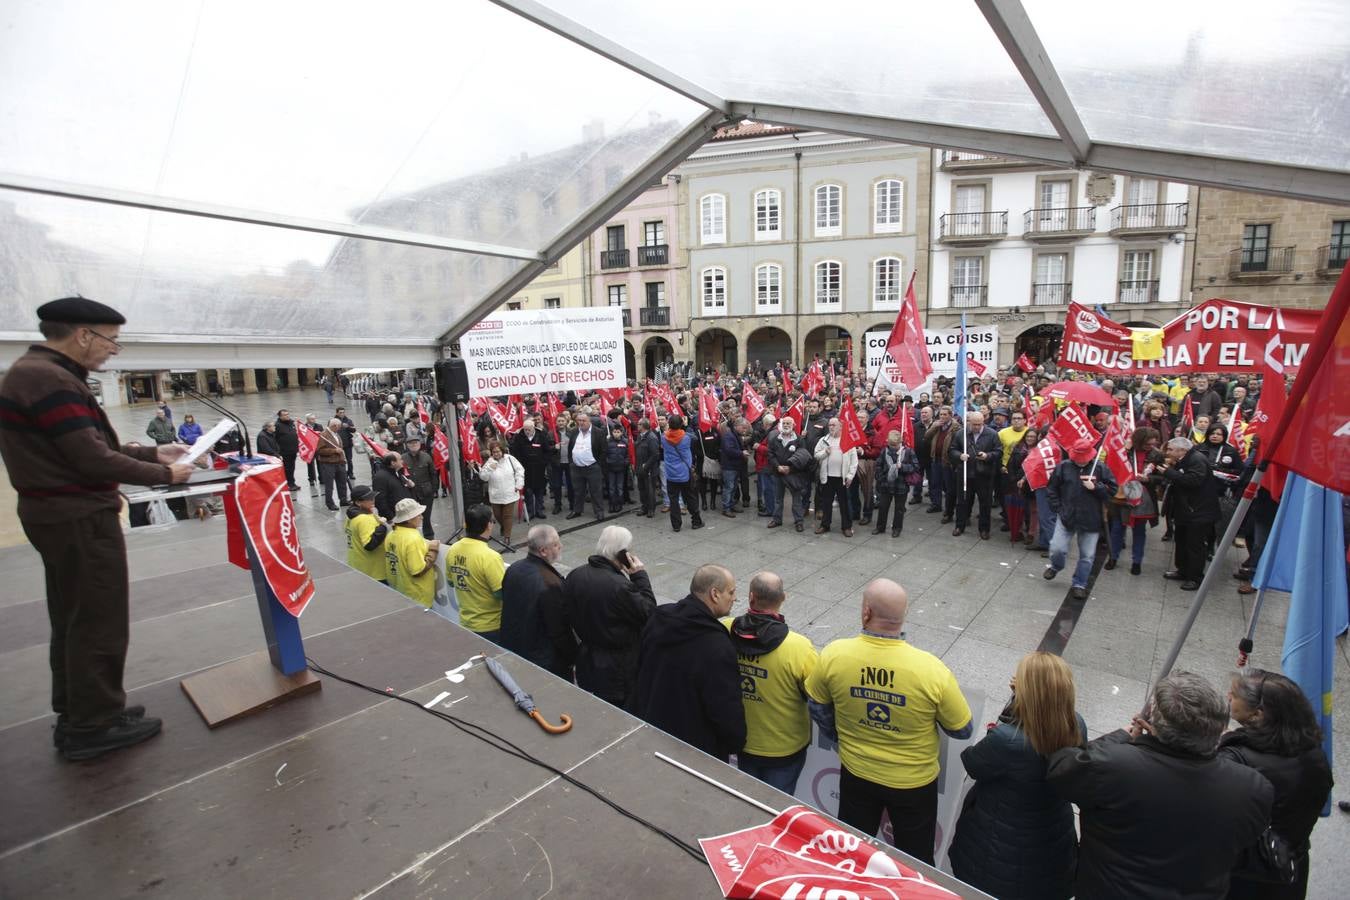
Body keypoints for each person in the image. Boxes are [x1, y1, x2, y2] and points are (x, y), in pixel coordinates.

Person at [0, 297, 197, 761]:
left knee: (74, 614)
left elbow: (82, 444)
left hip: (57, 513)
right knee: (97, 617)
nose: (114, 350)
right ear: (83, 334)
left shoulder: (35, 373)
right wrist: (166, 476)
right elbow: (88, 458)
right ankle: (92, 726)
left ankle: (85, 710)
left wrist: (151, 454)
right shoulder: (49, 380)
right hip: (76, 515)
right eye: (111, 340)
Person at [1047, 671, 1274, 900]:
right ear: (1219, 729)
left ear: (1156, 722)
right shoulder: (1253, 790)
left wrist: (1121, 738)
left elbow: (1061, 767)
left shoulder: (1111, 767)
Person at [805, 579, 973, 863]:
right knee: (915, 860)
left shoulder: (834, 655)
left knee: (853, 853)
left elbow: (817, 706)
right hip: (914, 784)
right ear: (902, 616)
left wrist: (840, 736)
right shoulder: (931, 669)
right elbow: (961, 729)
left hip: (856, 772)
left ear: (866, 612)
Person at [949, 652, 1084, 900]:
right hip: (1052, 841)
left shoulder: (1007, 741)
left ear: (1027, 693)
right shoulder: (1076, 724)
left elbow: (972, 762)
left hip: (999, 848)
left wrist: (1011, 709)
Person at [1220, 670, 1335, 900]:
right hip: (1289, 869)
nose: (1228, 696)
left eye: (1234, 695)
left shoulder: (1238, 762)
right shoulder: (1314, 755)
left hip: (1243, 875)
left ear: (1258, 714)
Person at [630, 565, 746, 762]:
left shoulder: (659, 616)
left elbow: (639, 667)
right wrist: (735, 743)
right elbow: (725, 707)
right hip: (694, 750)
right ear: (715, 594)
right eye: (731, 592)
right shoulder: (717, 646)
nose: (735, 598)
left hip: (649, 729)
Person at [726, 572, 819, 792]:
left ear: (750, 597)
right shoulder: (799, 647)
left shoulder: (726, 629)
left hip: (742, 740)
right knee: (776, 809)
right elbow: (818, 696)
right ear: (784, 598)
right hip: (785, 748)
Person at [562, 526, 656, 708]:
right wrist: (640, 576)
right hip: (618, 669)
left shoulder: (576, 575)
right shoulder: (620, 586)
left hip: (588, 659)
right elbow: (649, 613)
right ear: (623, 553)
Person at [1044, 437, 1117, 600]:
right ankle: (1056, 566)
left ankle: (1079, 583)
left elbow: (1112, 490)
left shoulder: (1100, 468)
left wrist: (1096, 488)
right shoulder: (1063, 467)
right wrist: (1057, 507)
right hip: (1067, 516)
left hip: (1091, 519)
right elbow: (1052, 488)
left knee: (1087, 555)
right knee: (1057, 548)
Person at [499, 524, 575, 680]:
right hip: (542, 661)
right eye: (555, 544)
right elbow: (559, 630)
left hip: (514, 650)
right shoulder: (550, 584)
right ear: (543, 551)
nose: (560, 546)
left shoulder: (514, 568)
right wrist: (573, 656)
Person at [1155, 436, 1220, 590]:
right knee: (1181, 540)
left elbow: (1193, 481)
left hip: (1198, 511)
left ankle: (1195, 578)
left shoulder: (1197, 460)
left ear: (1182, 450)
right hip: (1185, 510)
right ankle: (1182, 570)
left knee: (1195, 545)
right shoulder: (1184, 459)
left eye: (1171, 449)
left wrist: (1169, 472)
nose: (1168, 452)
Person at [445, 504, 507, 643]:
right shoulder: (490, 556)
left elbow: (450, 582)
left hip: (466, 621)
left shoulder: (453, 549)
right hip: (491, 626)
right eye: (493, 521)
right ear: (488, 525)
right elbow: (500, 593)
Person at [950, 411, 1002, 539]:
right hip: (965, 473)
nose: (976, 427)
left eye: (979, 424)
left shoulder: (992, 434)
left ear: (983, 422)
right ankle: (959, 525)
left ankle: (984, 529)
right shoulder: (961, 433)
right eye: (974, 424)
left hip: (984, 475)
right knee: (962, 501)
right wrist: (959, 456)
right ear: (969, 422)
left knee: (985, 503)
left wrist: (987, 456)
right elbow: (952, 449)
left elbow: (999, 451)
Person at [383, 498, 440, 608]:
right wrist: (433, 550)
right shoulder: (412, 539)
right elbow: (417, 570)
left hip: (400, 590)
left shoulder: (391, 535)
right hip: (417, 595)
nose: (422, 517)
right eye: (419, 515)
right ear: (409, 519)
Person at [812, 417, 858, 536]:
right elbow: (816, 455)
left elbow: (854, 461)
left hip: (842, 478)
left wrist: (850, 476)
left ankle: (846, 527)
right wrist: (825, 453)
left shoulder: (847, 440)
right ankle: (825, 525)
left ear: (840, 427)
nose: (830, 427)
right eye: (830, 425)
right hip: (827, 476)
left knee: (844, 503)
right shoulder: (824, 440)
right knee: (827, 502)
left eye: (833, 425)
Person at [767, 414, 811, 532]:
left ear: (794, 425)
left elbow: (803, 457)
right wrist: (778, 467)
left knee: (796, 500)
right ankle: (776, 519)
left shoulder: (800, 440)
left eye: (788, 423)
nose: (786, 425)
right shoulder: (775, 439)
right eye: (784, 423)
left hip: (793, 474)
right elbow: (770, 455)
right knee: (778, 498)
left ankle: (799, 521)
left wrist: (790, 469)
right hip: (778, 473)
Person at [478, 439, 525, 547]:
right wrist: (489, 468)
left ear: (502, 451)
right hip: (495, 494)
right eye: (494, 452)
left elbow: (520, 470)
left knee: (507, 516)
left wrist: (519, 484)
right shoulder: (489, 462)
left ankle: (507, 536)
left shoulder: (510, 459)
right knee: (498, 515)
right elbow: (483, 477)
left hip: (510, 492)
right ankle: (504, 526)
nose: (496, 454)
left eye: (498, 451)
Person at [661, 414, 704, 532]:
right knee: (690, 497)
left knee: (673, 500)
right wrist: (686, 426)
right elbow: (695, 436)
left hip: (670, 474)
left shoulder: (663, 437)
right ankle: (696, 521)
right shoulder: (686, 438)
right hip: (685, 472)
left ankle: (676, 525)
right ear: (681, 424)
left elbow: (666, 433)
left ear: (669, 424)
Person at [872, 429, 917, 538]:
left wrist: (903, 467)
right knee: (883, 506)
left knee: (899, 508)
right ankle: (880, 526)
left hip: (901, 485)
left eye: (895, 445)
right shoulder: (884, 451)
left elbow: (915, 467)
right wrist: (880, 477)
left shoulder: (908, 452)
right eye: (891, 444)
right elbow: (878, 465)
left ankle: (897, 528)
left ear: (900, 442)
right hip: (886, 484)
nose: (892, 447)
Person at [344, 485, 388, 583]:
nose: (372, 501)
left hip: (357, 565)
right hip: (373, 571)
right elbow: (370, 544)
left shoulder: (350, 516)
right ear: (358, 502)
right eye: (368, 499)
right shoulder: (364, 519)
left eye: (372, 497)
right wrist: (382, 526)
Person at [510, 417, 553, 521]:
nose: (527, 432)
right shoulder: (519, 437)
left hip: (539, 468)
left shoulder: (541, 435)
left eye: (529, 429)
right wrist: (519, 465)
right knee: (528, 491)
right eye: (525, 429)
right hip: (526, 469)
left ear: (533, 428)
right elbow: (515, 452)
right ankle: (530, 511)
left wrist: (543, 462)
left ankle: (539, 510)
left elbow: (547, 451)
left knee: (539, 490)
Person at [566, 412, 606, 520]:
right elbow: (570, 448)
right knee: (578, 491)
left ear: (589, 421)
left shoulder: (598, 433)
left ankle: (599, 512)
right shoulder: (574, 431)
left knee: (595, 491)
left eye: (583, 421)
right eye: (579, 420)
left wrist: (598, 464)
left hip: (592, 467)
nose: (581, 423)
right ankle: (577, 510)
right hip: (576, 467)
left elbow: (603, 451)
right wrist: (571, 462)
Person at [402, 435, 437, 538]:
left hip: (426, 492)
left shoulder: (426, 456)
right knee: (411, 517)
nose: (414, 445)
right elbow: (400, 475)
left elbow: (433, 474)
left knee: (426, 517)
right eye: (411, 443)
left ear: (420, 444)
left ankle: (429, 537)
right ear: (407, 445)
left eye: (416, 442)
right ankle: (414, 537)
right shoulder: (403, 458)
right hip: (411, 493)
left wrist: (433, 489)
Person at [316, 417, 350, 511]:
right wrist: (334, 450)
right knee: (329, 485)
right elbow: (319, 450)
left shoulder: (336, 434)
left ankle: (343, 500)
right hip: (328, 463)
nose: (340, 428)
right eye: (339, 426)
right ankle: (330, 503)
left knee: (342, 482)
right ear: (334, 426)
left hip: (339, 462)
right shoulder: (324, 435)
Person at [718, 418, 749, 518]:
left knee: (734, 487)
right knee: (729, 487)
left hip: (735, 466)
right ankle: (726, 508)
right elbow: (728, 450)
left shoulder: (734, 434)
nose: (745, 430)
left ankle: (731, 504)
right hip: (729, 466)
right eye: (743, 428)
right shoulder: (728, 435)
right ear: (737, 426)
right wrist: (741, 453)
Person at [372, 452, 415, 522]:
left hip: (405, 514)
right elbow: (380, 500)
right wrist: (391, 518)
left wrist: (410, 487)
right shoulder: (380, 477)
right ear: (393, 463)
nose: (402, 461)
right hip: (395, 518)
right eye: (400, 459)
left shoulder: (397, 472)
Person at [633, 418, 660, 517]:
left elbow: (655, 454)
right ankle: (644, 507)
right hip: (640, 468)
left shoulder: (651, 438)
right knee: (642, 489)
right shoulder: (640, 436)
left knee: (649, 490)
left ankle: (651, 509)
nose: (637, 425)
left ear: (643, 426)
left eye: (639, 424)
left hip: (649, 470)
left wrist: (646, 465)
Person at [603, 422, 630, 515]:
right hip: (610, 468)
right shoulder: (608, 442)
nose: (616, 433)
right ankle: (612, 503)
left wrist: (625, 463)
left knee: (619, 487)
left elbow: (628, 455)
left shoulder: (625, 442)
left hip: (621, 468)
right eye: (614, 432)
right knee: (611, 487)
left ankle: (619, 503)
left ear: (621, 432)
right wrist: (607, 462)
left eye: (618, 432)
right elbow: (604, 454)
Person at [274, 409, 301, 490]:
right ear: (280, 416)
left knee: (292, 468)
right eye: (285, 415)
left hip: (293, 451)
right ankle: (288, 484)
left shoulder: (291, 423)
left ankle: (292, 483)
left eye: (288, 414)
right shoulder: (277, 425)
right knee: (287, 469)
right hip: (284, 452)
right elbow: (274, 439)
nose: (287, 416)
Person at [334, 406, 358, 479]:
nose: (342, 414)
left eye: (343, 412)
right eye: (340, 412)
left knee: (349, 460)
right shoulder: (333, 421)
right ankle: (340, 474)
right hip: (337, 444)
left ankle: (350, 473)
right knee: (339, 460)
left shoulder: (348, 420)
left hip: (347, 443)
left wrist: (348, 427)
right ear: (337, 413)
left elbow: (354, 430)